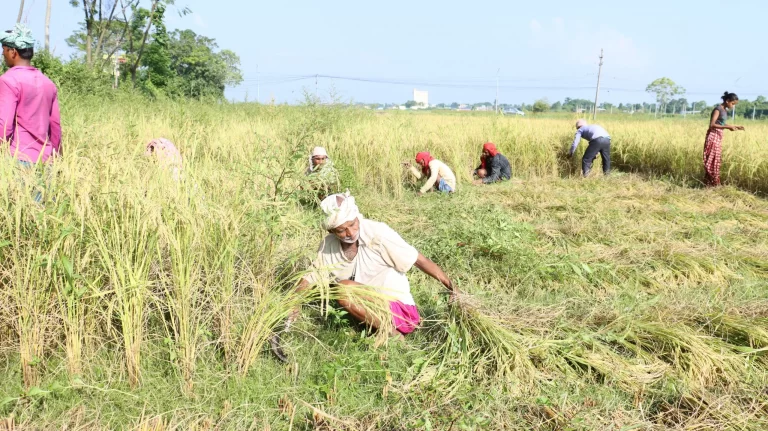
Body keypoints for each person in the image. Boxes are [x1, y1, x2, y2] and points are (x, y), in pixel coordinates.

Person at [285, 192, 455, 339]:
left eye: (352, 224)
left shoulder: (378, 232)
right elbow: (310, 277)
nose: (350, 233)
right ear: (331, 231)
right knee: (334, 290)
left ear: (357, 217)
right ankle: (374, 329)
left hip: (401, 312)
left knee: (342, 289)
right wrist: (294, 303)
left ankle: (392, 334)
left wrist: (452, 288)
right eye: (341, 230)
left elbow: (419, 260)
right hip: (369, 308)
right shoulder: (328, 246)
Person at [0, 24, 61, 164]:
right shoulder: (48, 83)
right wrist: (57, 156)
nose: (3, 54)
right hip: (46, 161)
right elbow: (55, 125)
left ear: (13, 52)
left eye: (3, 50)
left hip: (19, 159)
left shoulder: (8, 80)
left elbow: (4, 125)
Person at [703, 92, 744, 187]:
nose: (733, 106)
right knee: (712, 160)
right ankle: (713, 184)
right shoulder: (718, 109)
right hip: (713, 136)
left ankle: (710, 184)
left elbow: (721, 124)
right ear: (727, 101)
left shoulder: (724, 110)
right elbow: (712, 124)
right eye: (732, 104)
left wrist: (735, 126)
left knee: (716, 160)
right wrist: (727, 127)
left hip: (718, 136)